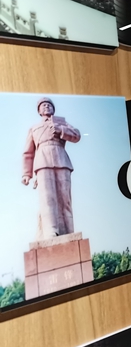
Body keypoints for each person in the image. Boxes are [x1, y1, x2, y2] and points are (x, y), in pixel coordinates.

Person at [22, 97, 81, 240]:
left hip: (62, 159)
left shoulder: (61, 123)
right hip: (42, 161)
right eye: (43, 105)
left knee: (65, 198)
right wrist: (27, 174)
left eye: (49, 105)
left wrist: (61, 130)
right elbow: (28, 153)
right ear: (39, 111)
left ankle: (69, 230)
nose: (47, 107)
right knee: (47, 199)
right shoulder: (34, 129)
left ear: (53, 109)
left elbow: (77, 135)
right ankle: (51, 232)